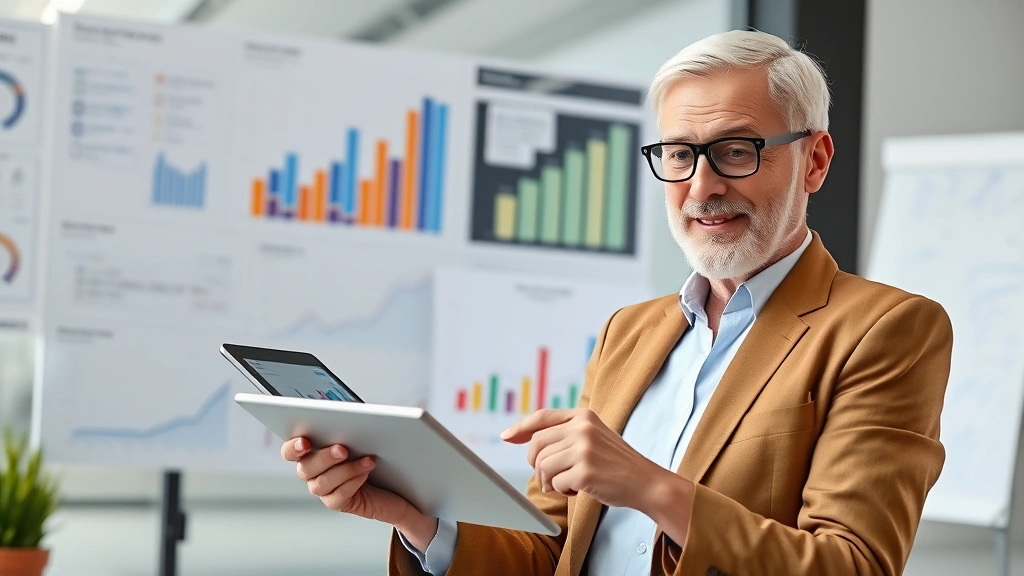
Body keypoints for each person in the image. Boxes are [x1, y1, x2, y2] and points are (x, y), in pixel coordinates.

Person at [281, 29, 953, 576]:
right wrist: (414, 514)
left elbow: (854, 565)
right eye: (679, 154)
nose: (700, 187)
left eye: (737, 151)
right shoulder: (630, 332)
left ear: (815, 161)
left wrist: (651, 487)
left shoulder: (887, 329)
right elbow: (551, 552)